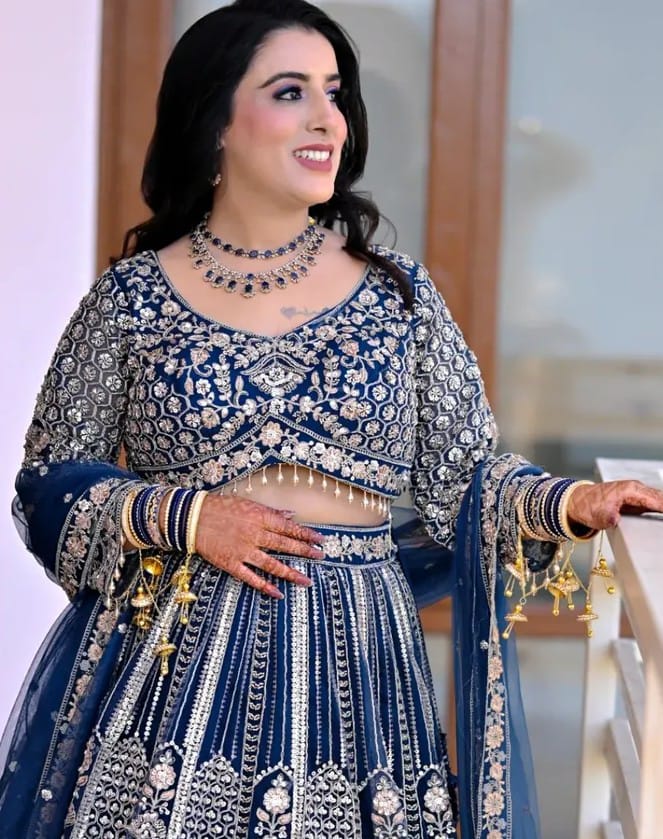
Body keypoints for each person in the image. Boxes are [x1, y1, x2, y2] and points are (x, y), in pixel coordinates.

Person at [1, 1, 662, 837]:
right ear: (215, 123)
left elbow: (463, 477)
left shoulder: (397, 296)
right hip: (169, 683)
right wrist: (188, 517)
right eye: (290, 92)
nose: (327, 119)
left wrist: (571, 502)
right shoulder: (132, 299)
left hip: (358, 681)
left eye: (335, 93)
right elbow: (48, 482)